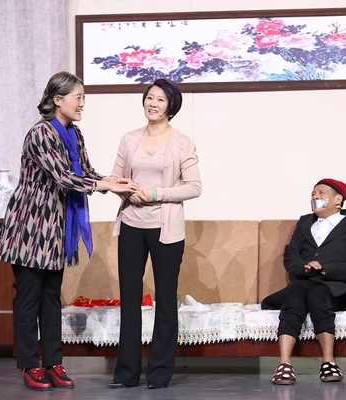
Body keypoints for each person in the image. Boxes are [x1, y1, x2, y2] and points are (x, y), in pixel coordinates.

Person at [0, 71, 138, 392]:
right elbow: (62, 176)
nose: (82, 103)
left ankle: (53, 363)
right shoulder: (41, 134)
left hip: (57, 229)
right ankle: (30, 365)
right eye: (78, 97)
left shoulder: (75, 133)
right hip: (31, 228)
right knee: (28, 300)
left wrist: (111, 181)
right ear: (57, 100)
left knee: (51, 300)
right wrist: (103, 186)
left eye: (83, 97)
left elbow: (84, 172)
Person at [108, 78, 202, 390]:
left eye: (161, 99)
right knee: (129, 299)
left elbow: (194, 187)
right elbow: (115, 178)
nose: (153, 103)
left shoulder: (182, 143)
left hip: (166, 230)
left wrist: (156, 193)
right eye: (150, 97)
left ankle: (159, 373)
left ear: (171, 106)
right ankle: (126, 373)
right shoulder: (129, 139)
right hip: (131, 224)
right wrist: (127, 191)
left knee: (165, 300)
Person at [262, 179, 346, 384]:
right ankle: (284, 364)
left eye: (321, 193)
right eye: (313, 193)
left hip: (333, 285)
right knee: (294, 296)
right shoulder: (305, 222)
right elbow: (291, 254)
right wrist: (304, 267)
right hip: (305, 281)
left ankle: (328, 362)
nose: (315, 196)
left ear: (338, 199)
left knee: (318, 297)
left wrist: (325, 269)